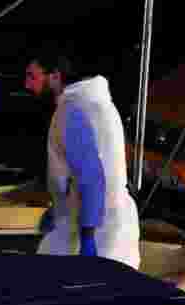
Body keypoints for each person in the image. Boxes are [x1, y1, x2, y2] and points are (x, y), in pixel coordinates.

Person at [24, 51, 141, 269]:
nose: (27, 85)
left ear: (55, 76)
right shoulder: (97, 103)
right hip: (109, 220)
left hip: (99, 231)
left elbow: (91, 177)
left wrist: (87, 239)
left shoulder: (71, 110)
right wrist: (60, 206)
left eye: (32, 76)